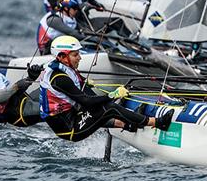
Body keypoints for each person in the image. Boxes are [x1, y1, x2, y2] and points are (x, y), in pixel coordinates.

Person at [40, 36, 174, 142]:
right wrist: (113, 95)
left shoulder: (67, 69)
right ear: (62, 57)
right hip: (70, 130)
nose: (80, 58)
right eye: (75, 55)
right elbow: (87, 101)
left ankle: (130, 123)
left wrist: (86, 85)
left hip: (73, 117)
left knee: (104, 107)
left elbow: (89, 96)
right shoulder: (59, 78)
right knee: (110, 108)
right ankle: (156, 122)